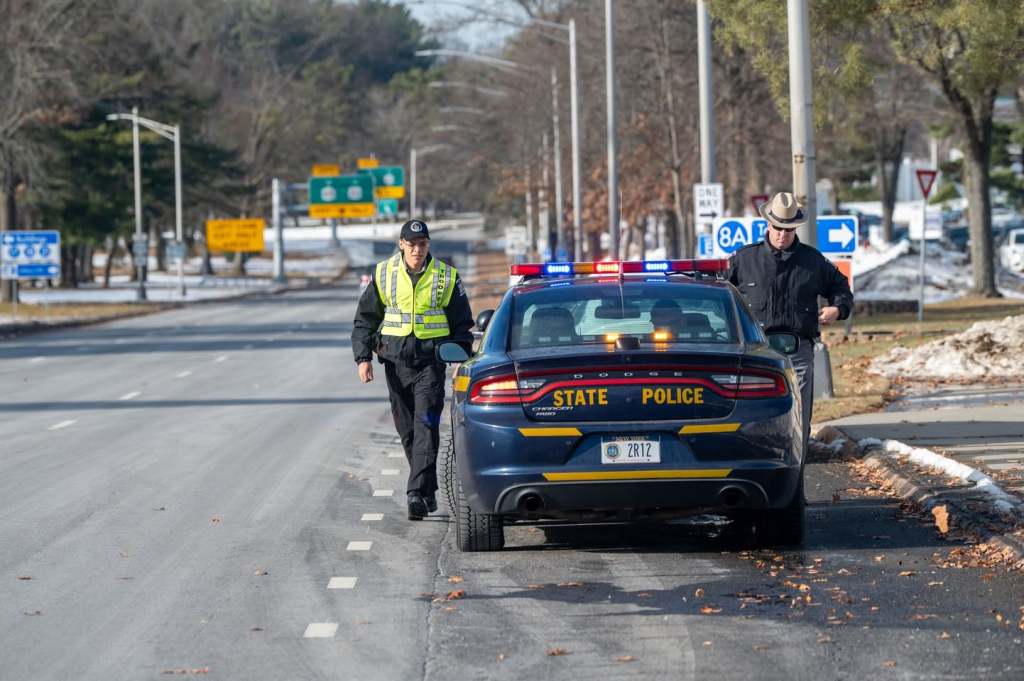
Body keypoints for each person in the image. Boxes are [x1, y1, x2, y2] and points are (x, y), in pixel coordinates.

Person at [351, 219, 474, 520]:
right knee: (407, 430)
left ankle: (415, 493)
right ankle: (427, 488)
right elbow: (364, 319)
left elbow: (462, 324)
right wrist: (362, 358)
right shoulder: (384, 274)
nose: (417, 250)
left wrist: (460, 358)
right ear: (402, 245)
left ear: (428, 245)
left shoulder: (446, 277)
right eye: (412, 244)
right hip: (395, 363)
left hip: (430, 365)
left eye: (422, 244)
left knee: (426, 425)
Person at [726, 192, 853, 448]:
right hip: (755, 350)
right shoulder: (744, 259)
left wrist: (837, 310)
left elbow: (841, 288)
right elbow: (719, 294)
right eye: (777, 228)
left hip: (798, 349)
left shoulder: (812, 261)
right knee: (755, 410)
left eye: (788, 229)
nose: (782, 235)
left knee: (800, 411)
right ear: (767, 224)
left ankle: (797, 457)